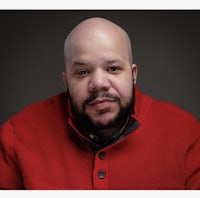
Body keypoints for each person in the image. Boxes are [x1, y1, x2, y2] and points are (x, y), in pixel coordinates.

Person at [0, 17, 200, 190]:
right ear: (66, 82)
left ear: (133, 75)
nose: (98, 84)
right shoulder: (18, 133)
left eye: (113, 69)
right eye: (82, 72)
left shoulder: (187, 134)